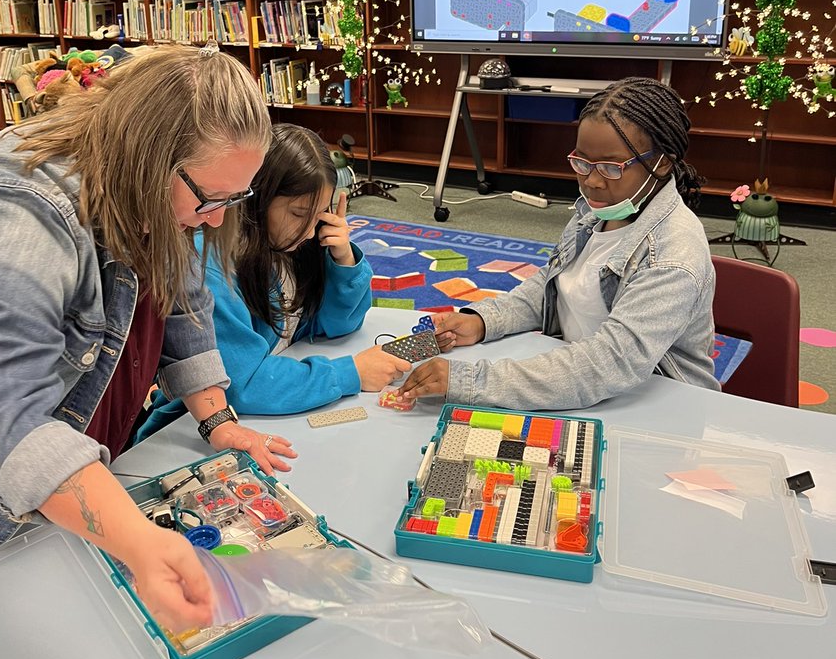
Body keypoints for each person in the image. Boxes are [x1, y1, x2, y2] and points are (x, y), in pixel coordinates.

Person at [0, 44, 297, 633]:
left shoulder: (147, 186)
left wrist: (216, 420)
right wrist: (140, 545)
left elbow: (180, 296)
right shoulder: (14, 215)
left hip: (60, 488)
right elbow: (4, 420)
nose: (214, 220)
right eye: (211, 199)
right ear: (152, 159)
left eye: (235, 199)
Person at [399, 77, 720, 410]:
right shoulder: (596, 211)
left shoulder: (673, 255)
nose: (592, 181)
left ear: (662, 161)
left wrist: (471, 381)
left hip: (658, 404)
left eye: (610, 167)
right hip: (583, 382)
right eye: (582, 163)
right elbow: (554, 285)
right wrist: (483, 321)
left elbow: (607, 363)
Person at [140, 124, 409, 435]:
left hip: (274, 407)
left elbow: (335, 325)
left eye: (319, 214)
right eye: (298, 213)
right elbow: (243, 384)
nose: (310, 231)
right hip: (192, 428)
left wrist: (343, 260)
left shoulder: (294, 244)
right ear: (256, 199)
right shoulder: (209, 267)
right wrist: (350, 373)